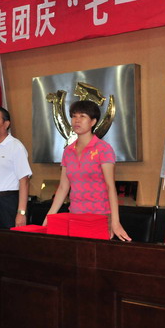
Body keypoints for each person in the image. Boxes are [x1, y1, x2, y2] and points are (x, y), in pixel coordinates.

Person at [44, 100, 131, 241]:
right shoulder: (68, 151)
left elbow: (110, 187)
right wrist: (49, 217)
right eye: (74, 116)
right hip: (75, 216)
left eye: (82, 116)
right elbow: (63, 187)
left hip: (100, 216)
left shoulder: (103, 148)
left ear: (93, 122)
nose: (77, 120)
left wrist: (115, 222)